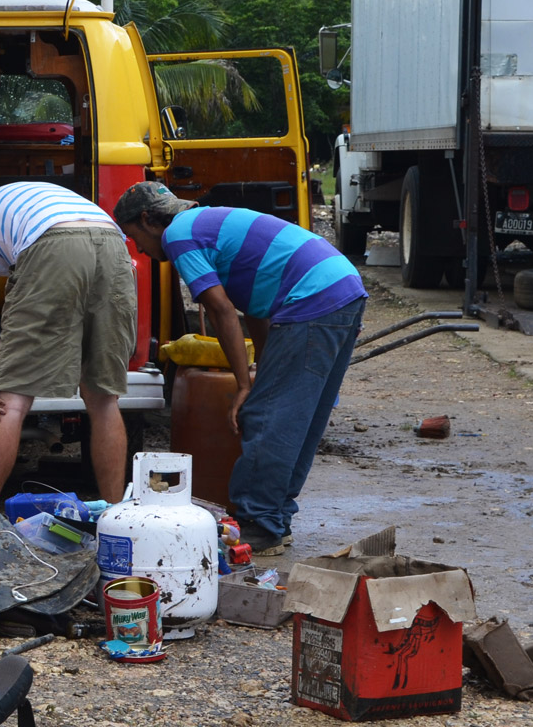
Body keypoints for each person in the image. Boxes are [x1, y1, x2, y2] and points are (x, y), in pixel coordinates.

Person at [112, 182, 368, 556]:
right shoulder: (206, 225)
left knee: (267, 417)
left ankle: (260, 525)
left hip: (312, 297)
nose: (138, 249)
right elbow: (256, 310)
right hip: (341, 287)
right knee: (296, 417)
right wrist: (259, 376)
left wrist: (245, 387)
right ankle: (275, 520)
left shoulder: (178, 235)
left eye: (134, 236)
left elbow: (222, 311)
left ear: (149, 220)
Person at [0, 169, 137, 501]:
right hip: (113, 244)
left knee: (10, 403)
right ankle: (114, 519)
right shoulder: (19, 198)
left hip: (52, 244)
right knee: (103, 399)